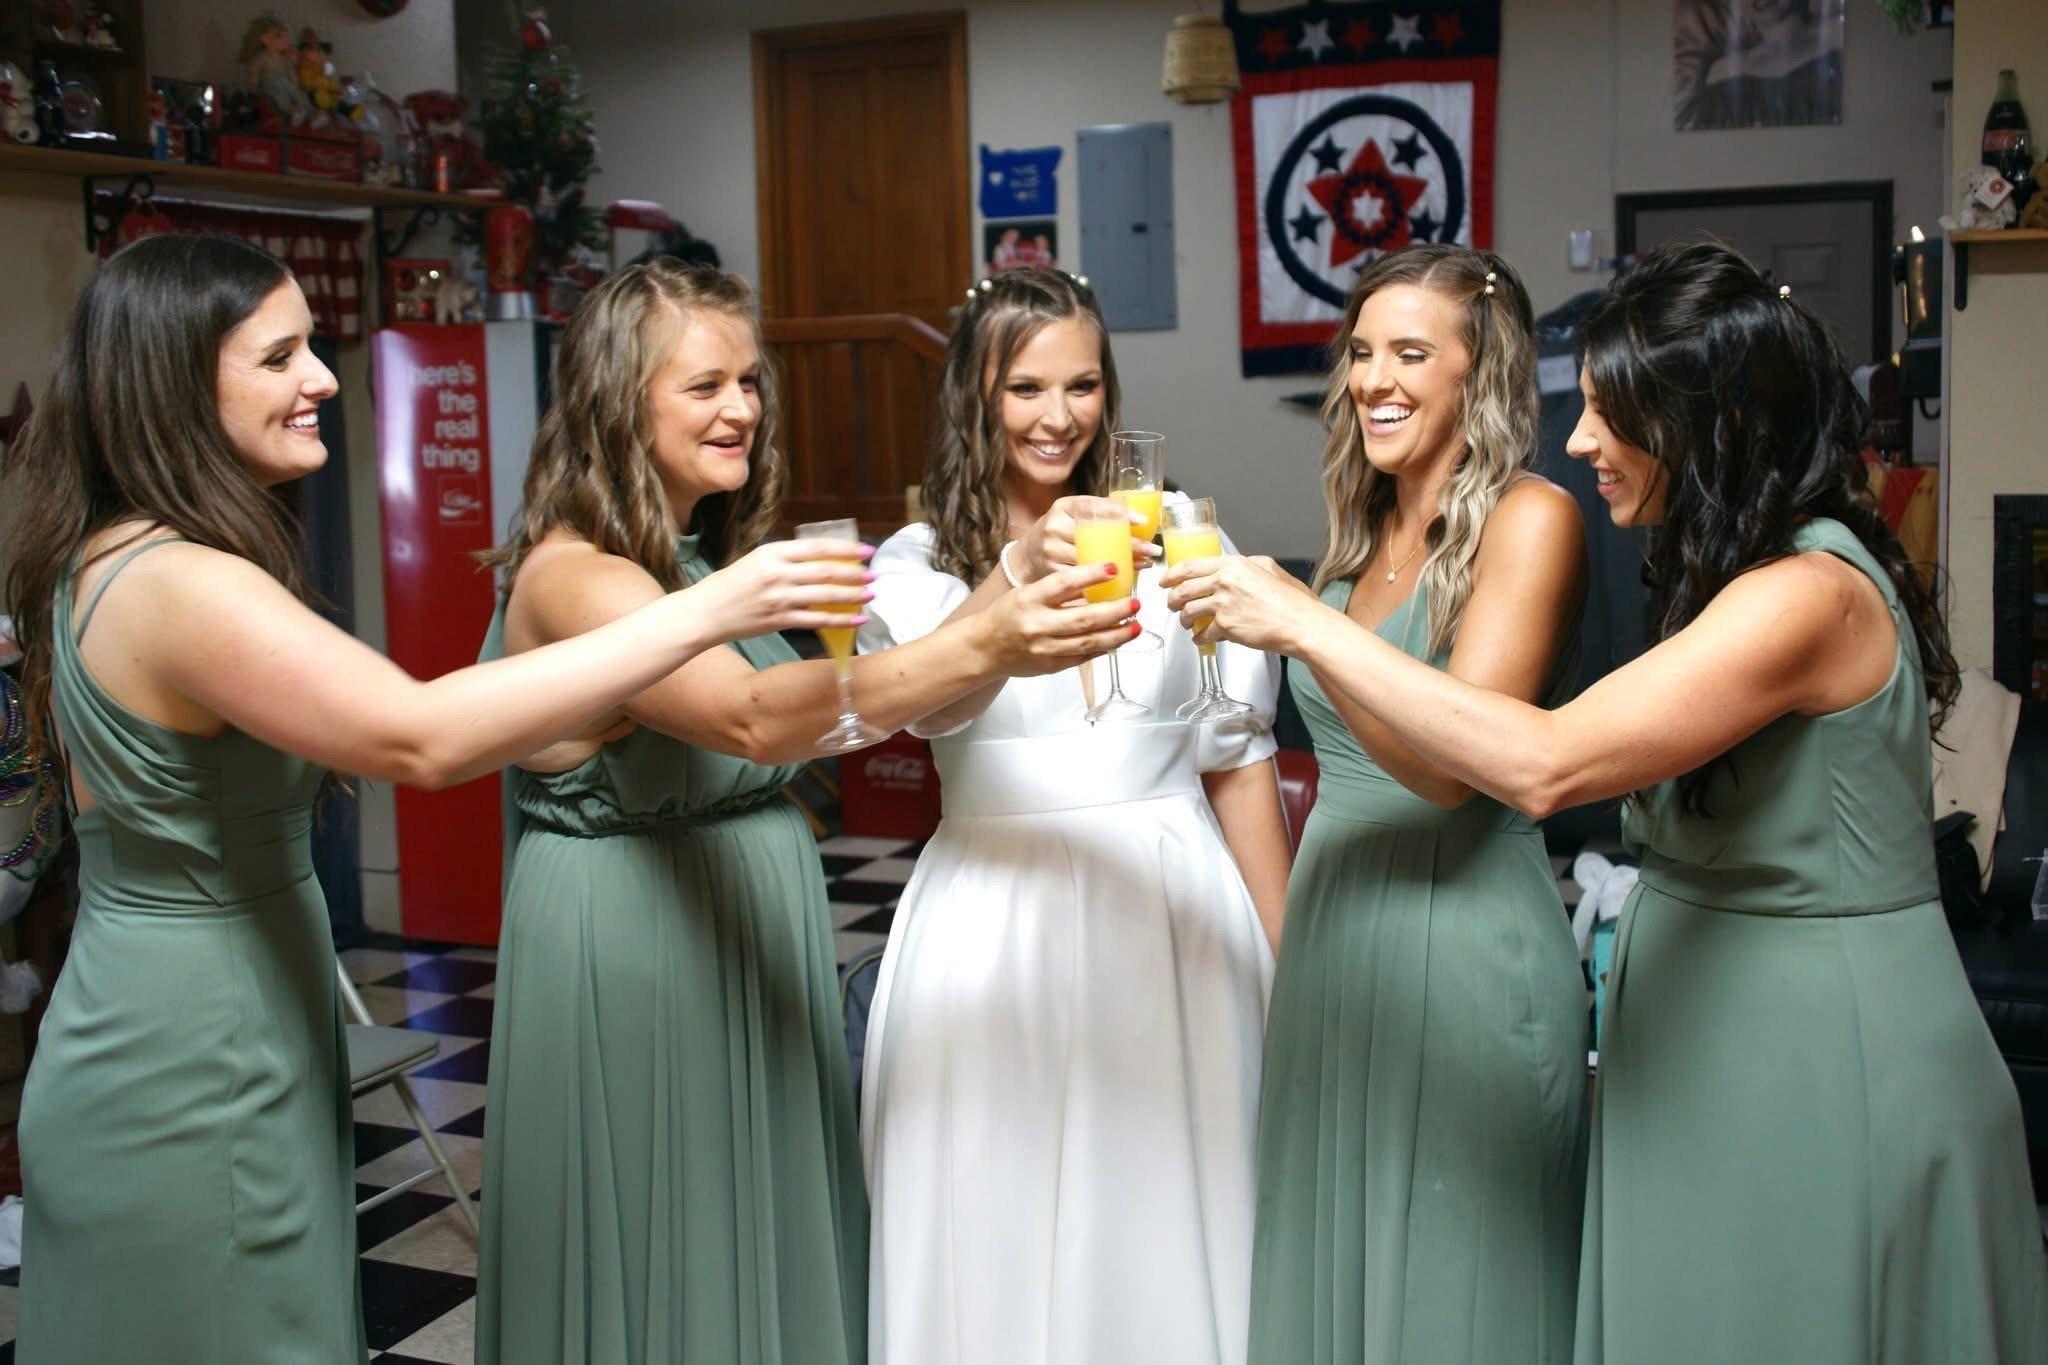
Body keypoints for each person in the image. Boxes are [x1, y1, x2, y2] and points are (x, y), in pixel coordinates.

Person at [1168, 240, 2048, 1362]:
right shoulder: (1733, 573)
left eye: (1606, 411)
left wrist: (1301, 623)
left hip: (1824, 1054)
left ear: (1705, 420)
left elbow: (1541, 762)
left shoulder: (1804, 594)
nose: (1579, 441)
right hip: (1707, 1041)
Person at [0, 234, 874, 1363]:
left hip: (206, 1002)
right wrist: (706, 610)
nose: (323, 379)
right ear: (172, 384)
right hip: (194, 1041)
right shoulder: (177, 580)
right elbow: (417, 737)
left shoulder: (127, 556)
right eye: (281, 356)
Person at [473, 258, 1135, 1365]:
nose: (739, 408)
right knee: (666, 1241)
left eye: (748, 381)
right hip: (641, 948)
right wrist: (989, 640)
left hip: (736, 942)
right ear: (616, 401)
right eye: (703, 386)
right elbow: (747, 718)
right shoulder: (578, 576)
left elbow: (852, 701)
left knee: (752, 1240)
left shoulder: (694, 559)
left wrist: (1008, 576)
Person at [856, 267, 1290, 1365]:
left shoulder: (1182, 533)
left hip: (1171, 910)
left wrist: (1286, 968)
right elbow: (926, 703)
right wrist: (1016, 568)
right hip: (993, 922)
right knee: (988, 1217)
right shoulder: (920, 565)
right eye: (1026, 388)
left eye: (1083, 385)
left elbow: (1238, 760)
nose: (1058, 416)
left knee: (1169, 1211)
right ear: (976, 395)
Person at [1239, 244, 1592, 1363]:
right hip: (1336, 943)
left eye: (1407, 353)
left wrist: (1303, 625)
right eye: (1360, 353)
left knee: (1456, 1287)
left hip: (1462, 945)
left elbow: (1450, 771)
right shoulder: (1361, 531)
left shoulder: (1530, 519)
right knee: (1334, 1270)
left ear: (1475, 370)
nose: (1372, 380)